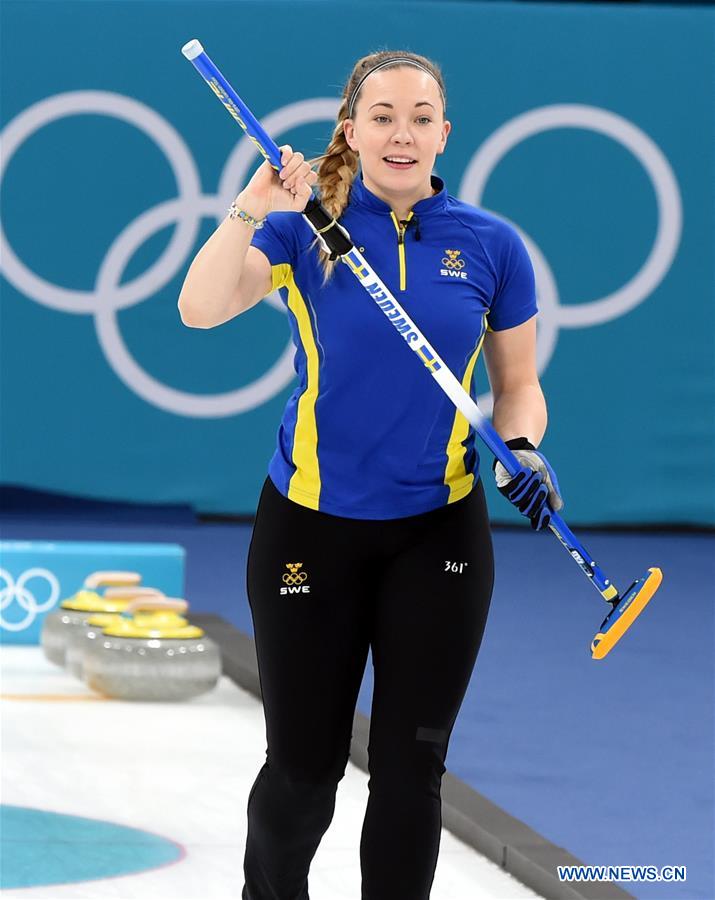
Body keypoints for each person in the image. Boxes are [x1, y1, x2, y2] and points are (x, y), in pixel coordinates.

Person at [179, 49, 563, 900]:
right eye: (383, 116)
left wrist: (524, 449)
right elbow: (199, 308)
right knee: (305, 771)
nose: (402, 134)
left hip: (439, 530)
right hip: (310, 525)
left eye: (420, 117)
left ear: (443, 134)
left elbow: (519, 388)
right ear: (350, 131)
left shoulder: (491, 245)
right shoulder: (300, 228)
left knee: (409, 772)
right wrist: (252, 204)